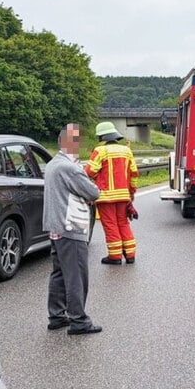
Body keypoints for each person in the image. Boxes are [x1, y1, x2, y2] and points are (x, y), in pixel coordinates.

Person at [43, 123, 103, 335]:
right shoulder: (70, 168)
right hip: (71, 227)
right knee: (76, 274)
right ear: (68, 143)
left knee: (59, 273)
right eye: (75, 140)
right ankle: (79, 320)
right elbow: (93, 192)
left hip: (55, 227)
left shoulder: (53, 164)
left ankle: (56, 316)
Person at [86, 121, 139, 265]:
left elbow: (89, 171)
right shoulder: (127, 151)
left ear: (101, 137)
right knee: (123, 223)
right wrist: (131, 193)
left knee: (110, 225)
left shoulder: (100, 151)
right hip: (123, 195)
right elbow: (134, 174)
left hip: (105, 196)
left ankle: (115, 256)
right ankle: (130, 255)